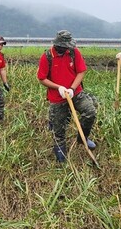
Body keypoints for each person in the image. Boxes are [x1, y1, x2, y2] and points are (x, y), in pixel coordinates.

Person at [37, 30, 98, 163]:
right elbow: (42, 79)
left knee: (90, 112)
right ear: (58, 45)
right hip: (57, 97)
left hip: (75, 93)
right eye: (64, 46)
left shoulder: (73, 53)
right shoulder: (47, 57)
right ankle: (60, 150)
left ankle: (83, 138)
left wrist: (72, 88)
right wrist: (58, 87)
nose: (66, 48)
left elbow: (81, 71)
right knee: (59, 127)